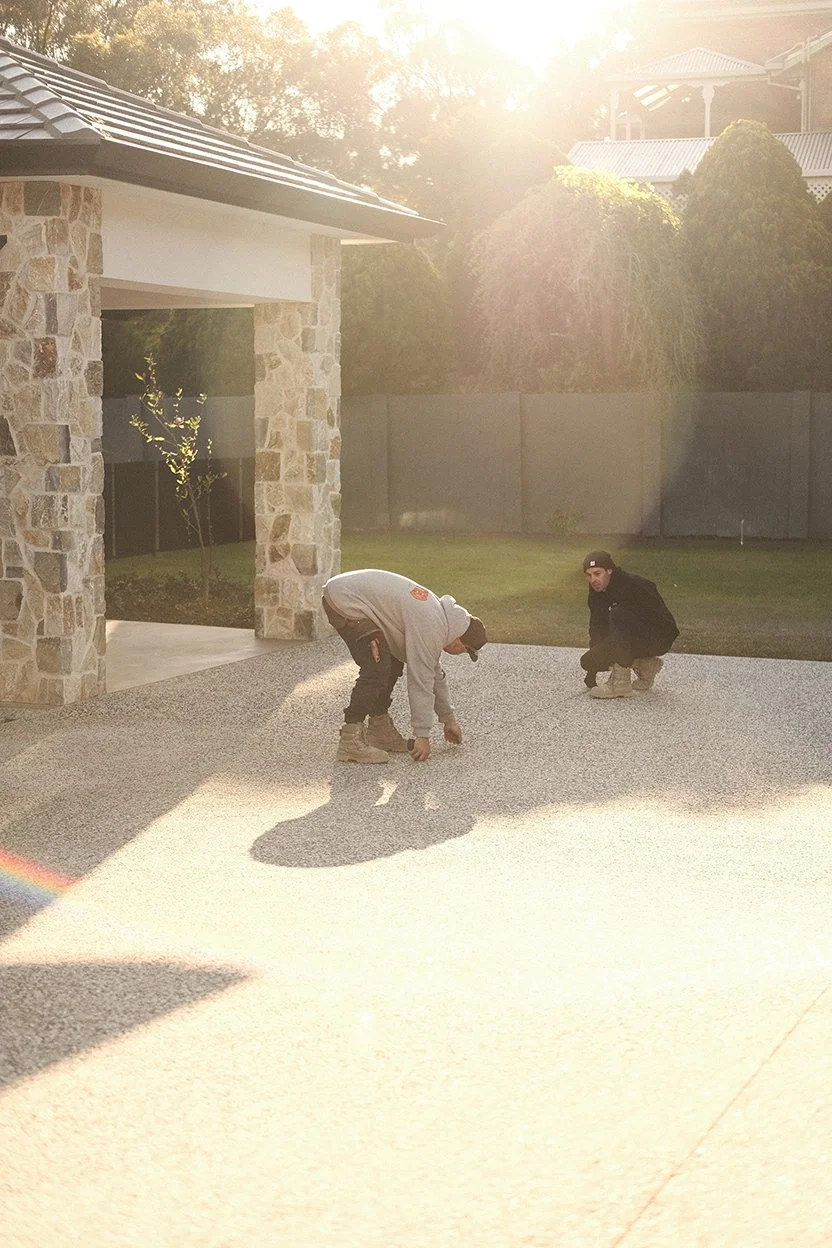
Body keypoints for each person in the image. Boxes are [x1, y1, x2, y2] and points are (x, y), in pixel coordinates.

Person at [322, 569, 488, 763]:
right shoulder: (431, 626)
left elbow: (434, 674)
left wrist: (448, 719)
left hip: (350, 596)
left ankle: (379, 729)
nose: (460, 654)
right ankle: (350, 740)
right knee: (376, 667)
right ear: (459, 642)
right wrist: (422, 736)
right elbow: (421, 681)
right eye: (465, 651)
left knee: (391, 662)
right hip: (346, 601)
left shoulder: (440, 618)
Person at [580, 551, 678, 699]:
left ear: (609, 570)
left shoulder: (634, 584)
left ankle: (620, 684)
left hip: (658, 637)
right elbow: (597, 627)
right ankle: (646, 666)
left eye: (597, 573)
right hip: (628, 637)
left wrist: (627, 632)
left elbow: (661, 619)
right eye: (589, 575)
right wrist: (592, 670)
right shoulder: (596, 592)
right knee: (588, 661)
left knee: (619, 613)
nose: (593, 580)